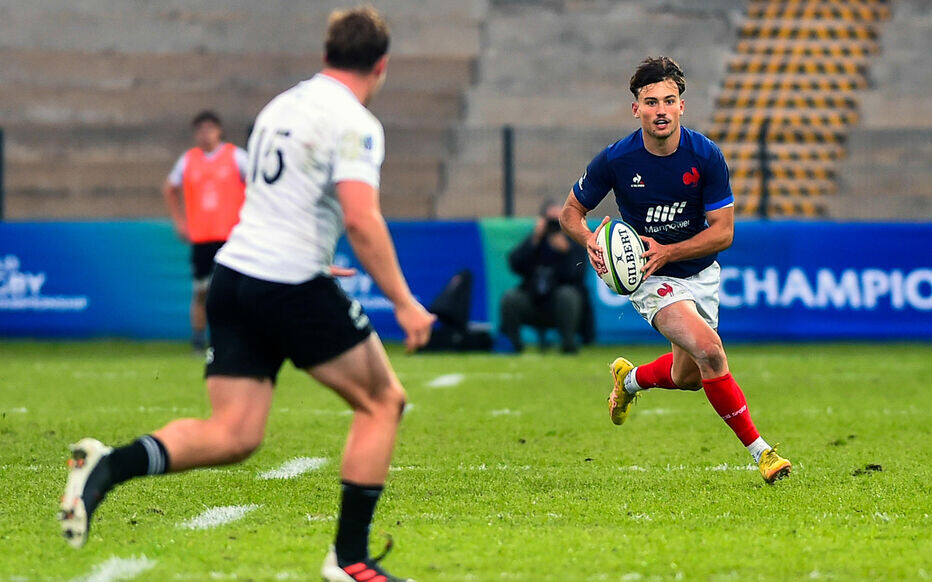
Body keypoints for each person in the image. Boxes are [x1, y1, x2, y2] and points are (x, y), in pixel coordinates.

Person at [59, 8, 435, 582]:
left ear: (326, 53)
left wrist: (309, 254)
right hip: (286, 282)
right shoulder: (355, 122)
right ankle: (351, 560)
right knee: (383, 401)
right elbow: (362, 218)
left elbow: (279, 202)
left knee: (233, 434)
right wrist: (405, 302)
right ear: (381, 66)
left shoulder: (280, 106)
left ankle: (109, 466)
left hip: (235, 277)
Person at [559, 56, 792, 484]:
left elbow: (723, 234)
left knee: (688, 376)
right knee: (710, 351)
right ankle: (763, 452)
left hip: (698, 273)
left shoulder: (706, 156)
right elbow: (571, 213)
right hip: (649, 276)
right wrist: (590, 240)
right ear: (637, 109)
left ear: (682, 105)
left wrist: (670, 250)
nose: (660, 110)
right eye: (651, 102)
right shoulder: (616, 159)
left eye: (669, 101)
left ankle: (629, 380)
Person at [163, 110, 248, 351]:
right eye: (200, 129)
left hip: (231, 237)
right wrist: (180, 221)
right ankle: (199, 340)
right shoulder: (188, 160)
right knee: (201, 291)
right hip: (201, 237)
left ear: (219, 131)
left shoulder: (236, 157)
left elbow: (257, 185)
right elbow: (169, 188)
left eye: (210, 128)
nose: (205, 134)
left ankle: (234, 338)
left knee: (234, 291)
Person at [500, 201, 589, 353]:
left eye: (559, 220)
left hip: (560, 303)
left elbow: (578, 274)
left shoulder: (572, 242)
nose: (554, 226)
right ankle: (513, 344)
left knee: (567, 295)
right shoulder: (536, 241)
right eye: (551, 221)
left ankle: (568, 343)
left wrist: (566, 252)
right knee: (510, 298)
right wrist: (534, 240)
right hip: (534, 301)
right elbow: (514, 263)